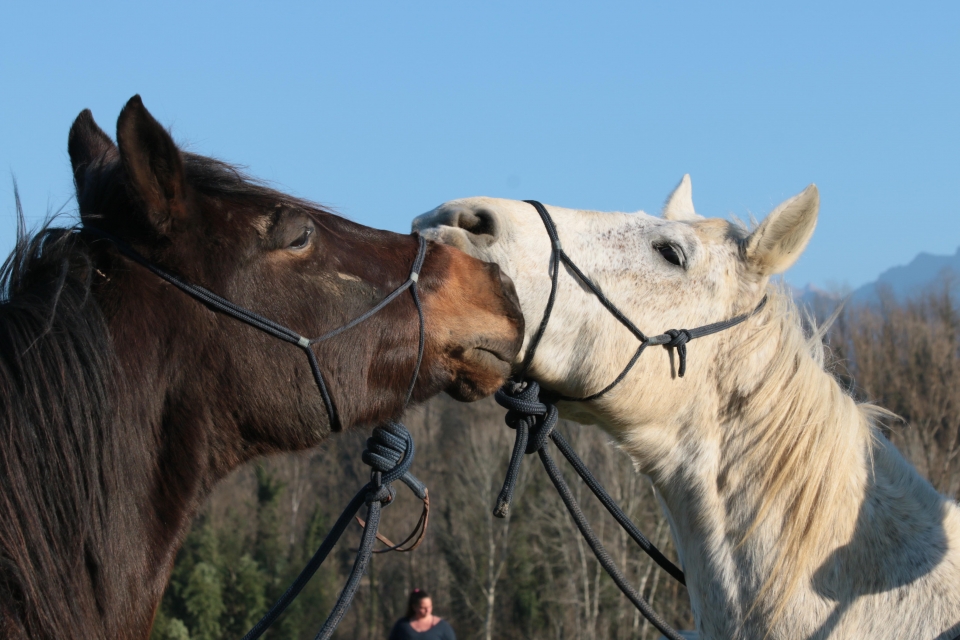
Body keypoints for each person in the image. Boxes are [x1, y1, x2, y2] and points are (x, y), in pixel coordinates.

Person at [388, 589, 456, 640]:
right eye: (423, 608)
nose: (427, 610)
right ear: (414, 607)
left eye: (429, 607)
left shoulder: (442, 627)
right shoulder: (402, 625)